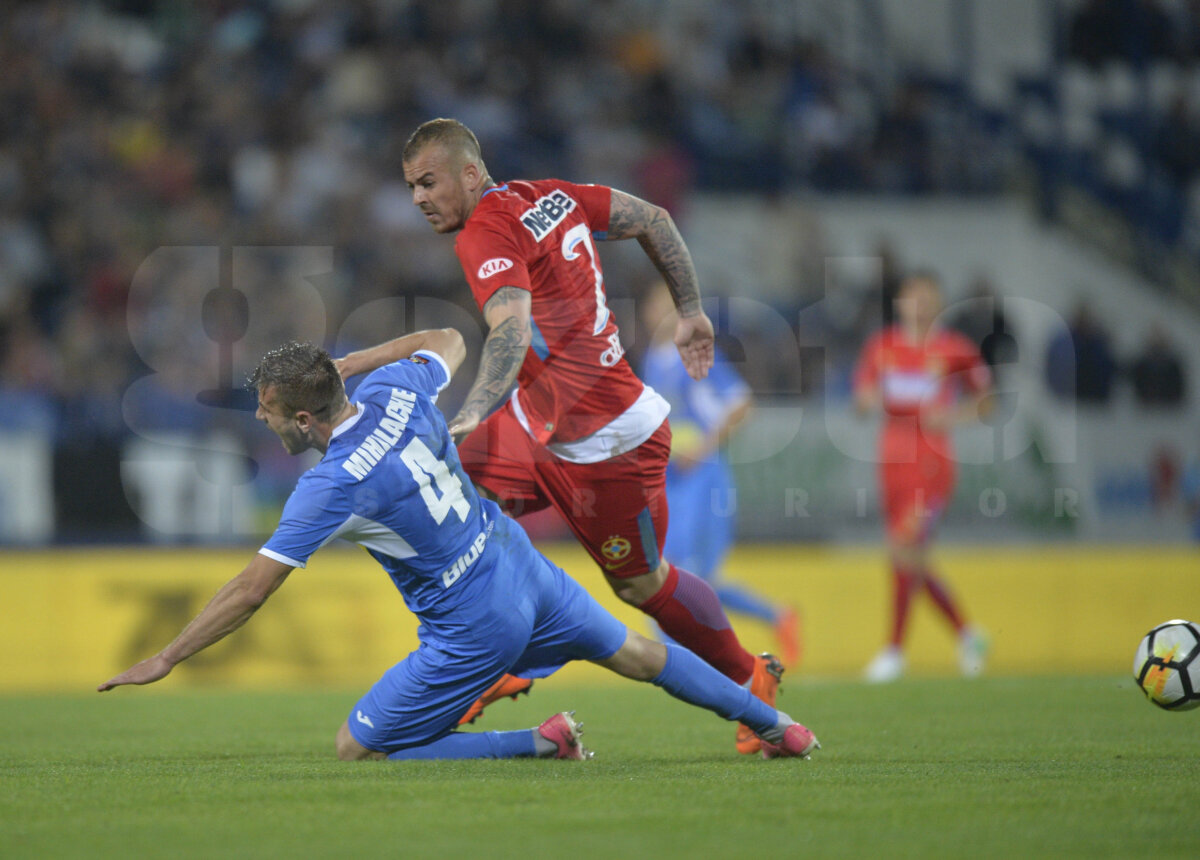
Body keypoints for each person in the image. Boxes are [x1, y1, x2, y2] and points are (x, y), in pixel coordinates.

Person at [97, 330, 820, 762]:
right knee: (638, 653)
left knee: (359, 745)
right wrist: (358, 362)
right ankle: (780, 728)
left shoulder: (328, 487)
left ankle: (543, 742)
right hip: (518, 562)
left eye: (270, 411)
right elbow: (447, 340)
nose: (262, 420)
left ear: (306, 416)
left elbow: (251, 589)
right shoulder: (396, 388)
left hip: (475, 621)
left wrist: (166, 656)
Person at [400, 117, 781, 754]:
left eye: (429, 182)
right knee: (456, 502)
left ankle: (750, 676)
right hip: (541, 422)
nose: (418, 198)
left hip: (608, 445)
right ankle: (491, 663)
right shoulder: (550, 194)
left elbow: (512, 331)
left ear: (471, 173)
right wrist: (690, 312)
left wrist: (471, 411)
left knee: (642, 585)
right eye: (411, 186)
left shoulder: (485, 232)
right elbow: (654, 218)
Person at [638, 281, 800, 666]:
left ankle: (688, 663)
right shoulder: (651, 360)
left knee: (686, 577)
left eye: (667, 305)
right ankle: (776, 618)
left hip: (703, 478)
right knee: (684, 576)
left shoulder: (694, 354)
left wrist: (703, 447)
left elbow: (742, 404)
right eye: (654, 305)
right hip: (670, 479)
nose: (659, 313)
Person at [853, 271, 992, 683]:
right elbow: (861, 397)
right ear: (899, 302)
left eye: (928, 297)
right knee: (908, 557)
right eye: (912, 296)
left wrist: (952, 415)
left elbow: (987, 400)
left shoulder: (955, 349)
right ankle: (968, 634)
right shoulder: (881, 347)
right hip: (892, 462)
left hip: (932, 463)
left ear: (939, 303)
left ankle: (894, 652)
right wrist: (865, 400)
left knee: (904, 547)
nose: (920, 304)